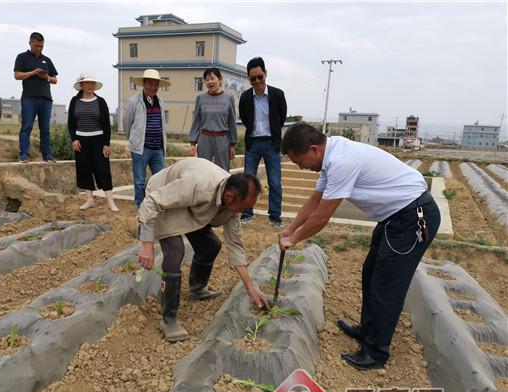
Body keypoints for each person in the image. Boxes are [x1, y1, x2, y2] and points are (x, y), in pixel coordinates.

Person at [279, 123, 441, 370]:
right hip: (393, 217)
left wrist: (294, 239)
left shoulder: (343, 161)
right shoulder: (331, 157)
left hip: (412, 218)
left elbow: (322, 217)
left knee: (387, 285)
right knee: (371, 273)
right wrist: (290, 229)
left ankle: (376, 352)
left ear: (313, 149)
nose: (301, 167)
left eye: (299, 161)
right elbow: (315, 200)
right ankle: (368, 330)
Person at [137, 157, 270, 342]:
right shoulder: (199, 185)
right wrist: (147, 244)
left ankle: (197, 289)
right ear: (230, 197)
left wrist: (250, 287)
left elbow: (235, 245)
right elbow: (152, 202)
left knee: (211, 245)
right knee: (175, 251)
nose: (246, 211)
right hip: (163, 198)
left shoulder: (231, 203)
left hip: (192, 204)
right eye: (246, 207)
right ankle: (169, 320)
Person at [238, 57, 287, 228]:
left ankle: (275, 215)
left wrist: (273, 135)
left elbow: (281, 117)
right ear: (249, 79)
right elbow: (244, 118)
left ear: (265, 74)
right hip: (252, 144)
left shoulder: (277, 95)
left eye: (260, 76)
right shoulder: (245, 97)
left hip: (271, 144)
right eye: (253, 78)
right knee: (248, 181)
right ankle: (246, 213)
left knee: (274, 181)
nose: (257, 81)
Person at [67, 72, 119, 212]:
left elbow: (106, 124)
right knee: (84, 169)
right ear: (82, 85)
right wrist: (74, 139)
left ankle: (110, 201)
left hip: (98, 139)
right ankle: (89, 199)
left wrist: (106, 143)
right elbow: (71, 123)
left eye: (92, 83)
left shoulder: (100, 101)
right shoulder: (74, 101)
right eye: (87, 83)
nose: (90, 86)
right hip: (81, 140)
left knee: (103, 169)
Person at [122, 69, 169, 208]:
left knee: (160, 179)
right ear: (143, 84)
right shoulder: (133, 101)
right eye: (150, 83)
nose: (153, 87)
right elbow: (126, 123)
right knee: (139, 180)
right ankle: (140, 205)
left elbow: (162, 124)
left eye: (156, 84)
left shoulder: (160, 101)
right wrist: (134, 138)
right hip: (141, 148)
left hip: (158, 148)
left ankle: (156, 204)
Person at [13, 32, 58, 163]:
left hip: (46, 98)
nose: (39, 48)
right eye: (37, 45)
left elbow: (55, 79)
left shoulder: (47, 60)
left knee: (45, 129)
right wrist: (32, 73)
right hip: (29, 98)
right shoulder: (21, 57)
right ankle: (24, 155)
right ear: (30, 43)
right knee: (26, 127)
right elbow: (17, 75)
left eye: (41, 46)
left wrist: (47, 78)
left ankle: (47, 155)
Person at [188, 68, 237, 171]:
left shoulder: (229, 99)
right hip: (204, 139)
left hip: (222, 139)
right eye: (207, 79)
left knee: (223, 171)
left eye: (212, 78)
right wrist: (193, 143)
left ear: (220, 79)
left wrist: (232, 144)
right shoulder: (200, 98)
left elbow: (232, 122)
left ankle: (223, 187)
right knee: (203, 170)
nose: (209, 82)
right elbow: (196, 121)